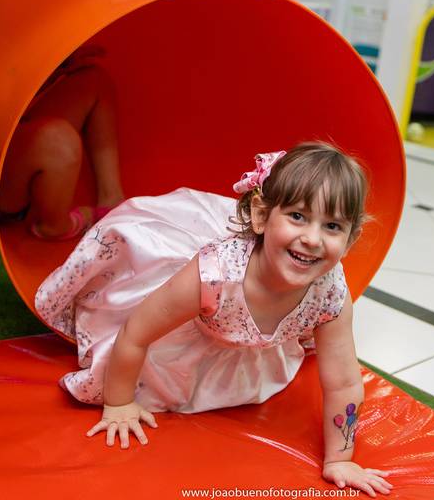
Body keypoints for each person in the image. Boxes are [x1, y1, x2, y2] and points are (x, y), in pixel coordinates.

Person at [35, 143, 394, 497]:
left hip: (244, 341)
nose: (312, 239)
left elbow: (344, 383)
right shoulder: (216, 273)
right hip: (192, 324)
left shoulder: (330, 293)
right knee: (134, 340)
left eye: (332, 226)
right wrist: (118, 403)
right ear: (262, 216)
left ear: (350, 240)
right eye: (297, 216)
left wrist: (340, 459)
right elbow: (136, 333)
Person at [0, 45, 125, 240]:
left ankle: (112, 201)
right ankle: (55, 226)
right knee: (59, 141)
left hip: (12, 129)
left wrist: (62, 61)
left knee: (94, 81)